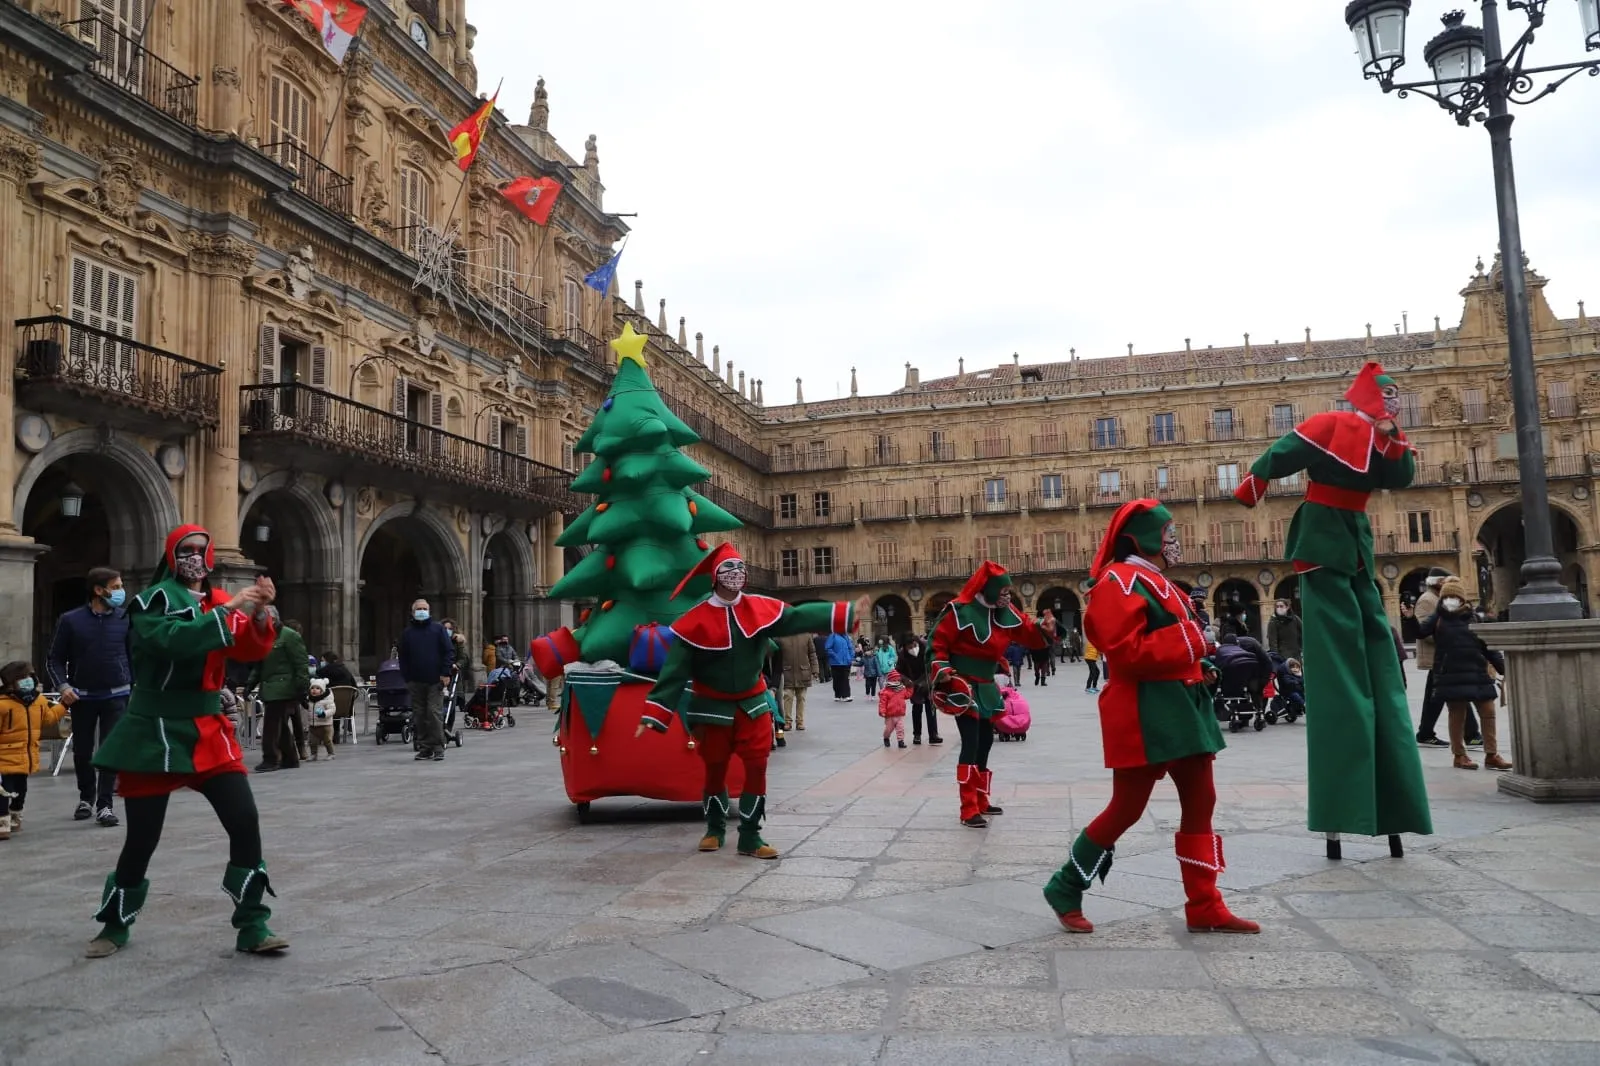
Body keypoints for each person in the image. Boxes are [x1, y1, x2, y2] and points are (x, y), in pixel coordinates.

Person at [1235, 360, 1432, 859]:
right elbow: (1285, 451)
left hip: (1352, 538)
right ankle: (1362, 790)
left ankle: (1376, 784)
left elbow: (1401, 474)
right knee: (1341, 647)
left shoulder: (1377, 434)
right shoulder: (1332, 424)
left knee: (1370, 646)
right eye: (1386, 397)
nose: (1392, 404)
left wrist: (1390, 434)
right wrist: (1252, 486)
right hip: (1323, 535)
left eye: (1396, 399)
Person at [1042, 500, 1258, 935]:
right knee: (1127, 807)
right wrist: (1194, 643)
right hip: (1144, 707)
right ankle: (1065, 885)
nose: (1174, 542)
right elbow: (1127, 650)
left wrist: (1202, 665)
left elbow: (1179, 644)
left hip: (1182, 702)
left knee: (1202, 801)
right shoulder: (1117, 584)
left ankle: (1204, 904)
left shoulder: (1157, 583)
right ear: (1144, 539)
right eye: (1168, 534)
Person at [85, 524, 285, 958]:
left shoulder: (217, 601)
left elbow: (248, 650)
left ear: (211, 556)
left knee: (245, 821)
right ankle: (114, 925)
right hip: (153, 729)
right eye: (186, 550)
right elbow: (170, 642)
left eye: (200, 549)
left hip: (207, 729)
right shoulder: (150, 601)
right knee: (142, 839)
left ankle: (253, 924)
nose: (194, 557)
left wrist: (261, 612)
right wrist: (230, 607)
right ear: (171, 556)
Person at [637, 544, 868, 859]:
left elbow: (798, 617)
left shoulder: (761, 608)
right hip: (711, 708)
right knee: (716, 769)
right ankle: (715, 827)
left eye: (739, 567)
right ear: (715, 578)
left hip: (753, 703)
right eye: (729, 568)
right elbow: (675, 671)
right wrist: (655, 712)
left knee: (758, 766)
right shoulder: (696, 620)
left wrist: (845, 612)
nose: (736, 573)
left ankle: (750, 835)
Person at [929, 561, 1047, 827]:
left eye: (1009, 591)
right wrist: (943, 670)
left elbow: (1028, 631)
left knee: (986, 742)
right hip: (963, 687)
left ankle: (982, 799)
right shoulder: (958, 611)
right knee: (970, 743)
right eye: (1003, 591)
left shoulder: (1005, 611)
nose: (1008, 595)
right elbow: (936, 645)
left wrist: (1046, 628)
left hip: (986, 685)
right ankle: (968, 807)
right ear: (989, 589)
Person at [46, 566, 131, 827]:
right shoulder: (71, 620)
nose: (120, 592)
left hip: (117, 695)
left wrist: (136, 687)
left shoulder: (125, 618)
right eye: (116, 587)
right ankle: (86, 797)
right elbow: (54, 659)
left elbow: (134, 656)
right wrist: (63, 687)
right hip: (82, 697)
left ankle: (105, 805)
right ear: (98, 590)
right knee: (83, 751)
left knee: (109, 750)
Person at [1418, 578, 1511, 772]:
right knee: (1457, 715)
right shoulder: (1439, 617)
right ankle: (1459, 756)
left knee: (1488, 713)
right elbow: (1420, 632)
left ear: (1461, 597)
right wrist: (1410, 617)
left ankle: (1492, 755)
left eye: (1454, 596)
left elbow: (1487, 646)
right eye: (1446, 596)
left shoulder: (1474, 617)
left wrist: (1503, 668)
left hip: (1477, 671)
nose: (1450, 600)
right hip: (1451, 673)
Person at [0, 661, 69, 839]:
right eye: (22, 678)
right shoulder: (3, 704)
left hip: (26, 756)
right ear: (10, 683)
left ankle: (15, 818)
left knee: (20, 791)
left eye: (29, 676)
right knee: (3, 792)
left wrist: (64, 706)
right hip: (4, 758)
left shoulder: (38, 701)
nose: (27, 680)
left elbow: (49, 719)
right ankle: (2, 823)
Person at [1409, 567, 1477, 747]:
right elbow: (1424, 630)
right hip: (1438, 656)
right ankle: (1472, 734)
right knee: (1455, 693)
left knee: (1439, 696)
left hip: (1446, 656)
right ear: (1439, 582)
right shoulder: (1427, 600)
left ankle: (1425, 733)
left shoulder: (1442, 599)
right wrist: (1452, 636)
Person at [249, 613, 310, 772]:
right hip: (269, 687)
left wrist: (302, 687)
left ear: (272, 619)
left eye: (259, 621)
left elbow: (301, 663)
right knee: (280, 725)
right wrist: (250, 684)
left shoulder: (289, 636)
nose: (257, 625)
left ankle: (271, 758)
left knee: (271, 724)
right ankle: (290, 758)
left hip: (284, 687)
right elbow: (259, 665)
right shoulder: (264, 637)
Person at [397, 598, 452, 762]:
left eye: (424, 608)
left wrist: (445, 673)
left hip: (436, 680)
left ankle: (438, 747)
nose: (422, 611)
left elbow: (448, 652)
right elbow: (403, 656)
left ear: (429, 611)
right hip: (415, 681)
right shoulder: (407, 633)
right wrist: (406, 677)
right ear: (413, 612)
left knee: (433, 713)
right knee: (419, 715)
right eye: (419, 609)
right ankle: (425, 747)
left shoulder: (438, 629)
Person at [897, 633, 941, 745]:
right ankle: (917, 735)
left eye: (914, 645)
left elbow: (934, 663)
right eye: (909, 647)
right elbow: (899, 672)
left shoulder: (926, 648)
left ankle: (933, 735)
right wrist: (907, 681)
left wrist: (931, 679)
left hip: (927, 681)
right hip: (914, 684)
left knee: (931, 709)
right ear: (905, 647)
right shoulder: (902, 655)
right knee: (917, 709)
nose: (913, 649)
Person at [777, 631, 819, 731]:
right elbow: (777, 656)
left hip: (803, 671)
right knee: (788, 696)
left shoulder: (807, 635)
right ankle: (788, 721)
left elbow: (812, 653)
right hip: (787, 671)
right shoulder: (782, 635)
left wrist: (815, 670)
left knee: (801, 698)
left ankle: (800, 721)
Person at [306, 678, 336, 760]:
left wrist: (324, 713)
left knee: (327, 741)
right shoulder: (310, 699)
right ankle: (313, 754)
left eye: (317, 688)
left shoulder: (327, 700)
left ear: (322, 690)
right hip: (313, 725)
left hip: (325, 725)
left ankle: (331, 753)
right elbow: (307, 708)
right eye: (312, 688)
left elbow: (332, 709)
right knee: (312, 741)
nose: (314, 690)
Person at [878, 669, 908, 748]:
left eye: (898, 680)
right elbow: (882, 702)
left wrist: (911, 687)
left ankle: (900, 741)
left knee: (900, 728)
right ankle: (886, 737)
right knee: (888, 729)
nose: (896, 682)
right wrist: (882, 711)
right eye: (894, 680)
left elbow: (907, 695)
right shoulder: (886, 692)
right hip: (889, 715)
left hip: (899, 713)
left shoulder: (902, 689)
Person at [825, 629, 855, 702]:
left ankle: (846, 695)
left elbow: (850, 647)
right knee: (837, 679)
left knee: (845, 678)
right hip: (835, 662)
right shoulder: (833, 636)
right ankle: (838, 695)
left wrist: (850, 657)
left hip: (846, 662)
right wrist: (835, 656)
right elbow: (828, 648)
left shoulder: (846, 637)